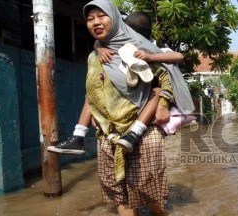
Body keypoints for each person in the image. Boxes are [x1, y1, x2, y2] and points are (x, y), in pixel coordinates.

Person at [78, 0, 188, 216]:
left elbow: (165, 81)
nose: (96, 23)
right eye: (90, 19)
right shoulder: (100, 53)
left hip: (143, 131)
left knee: (149, 187)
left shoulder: (147, 52)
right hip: (109, 133)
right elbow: (93, 89)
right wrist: (99, 48)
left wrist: (163, 104)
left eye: (101, 17)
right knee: (119, 191)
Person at [47, 12, 183, 154]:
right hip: (114, 117)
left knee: (157, 91)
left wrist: (150, 57)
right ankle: (79, 136)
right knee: (92, 93)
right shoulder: (114, 52)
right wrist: (99, 49)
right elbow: (97, 42)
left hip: (142, 116)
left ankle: (132, 133)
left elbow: (178, 57)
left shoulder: (151, 52)